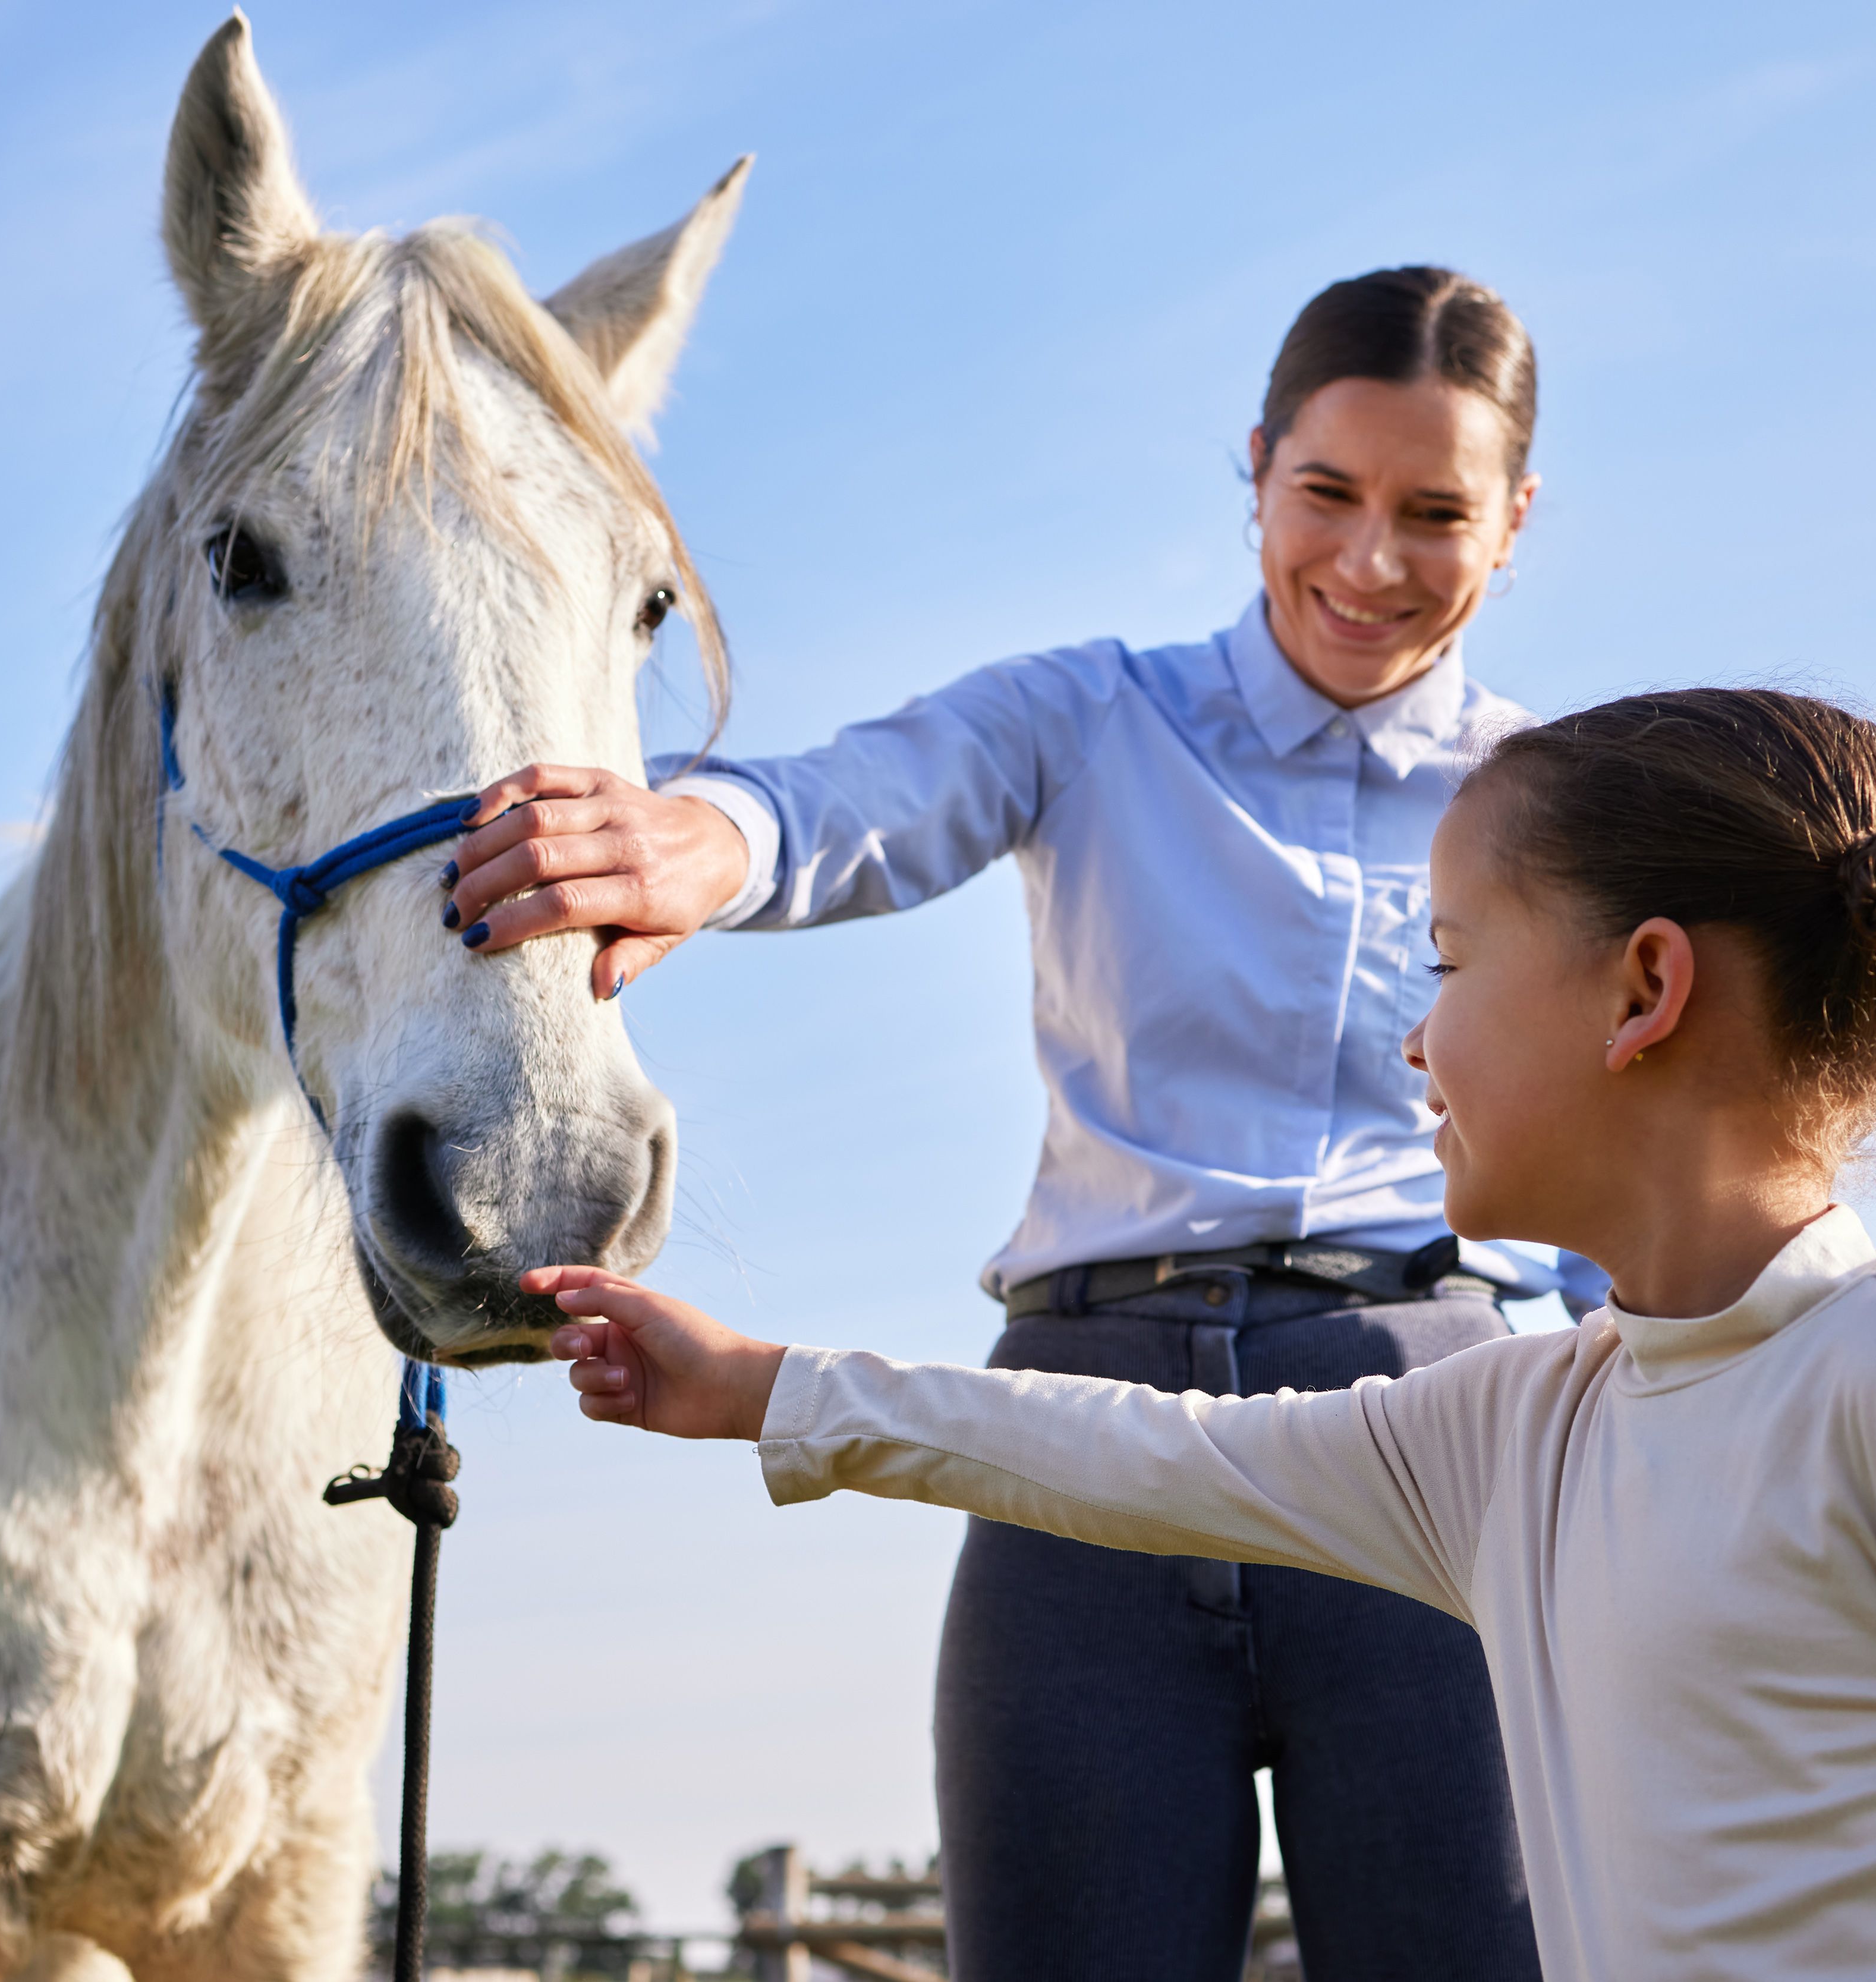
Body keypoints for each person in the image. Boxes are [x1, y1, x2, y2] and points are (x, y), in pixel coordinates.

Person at [522, 688, 1876, 1981]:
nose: (1410, 1040)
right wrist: (761, 1393)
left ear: (1642, 989)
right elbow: (1138, 1454)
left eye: (1445, 960)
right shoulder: (1512, 1432)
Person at [443, 268, 1557, 1977]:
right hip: (1082, 1432)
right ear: (1254, 467)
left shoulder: (1554, 800)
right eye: (1325, 495)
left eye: (1434, 515)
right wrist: (693, 844)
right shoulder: (1088, 716)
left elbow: (1637, 1147)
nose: (1367, 562)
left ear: (1514, 521)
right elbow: (854, 801)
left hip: (1426, 1440)